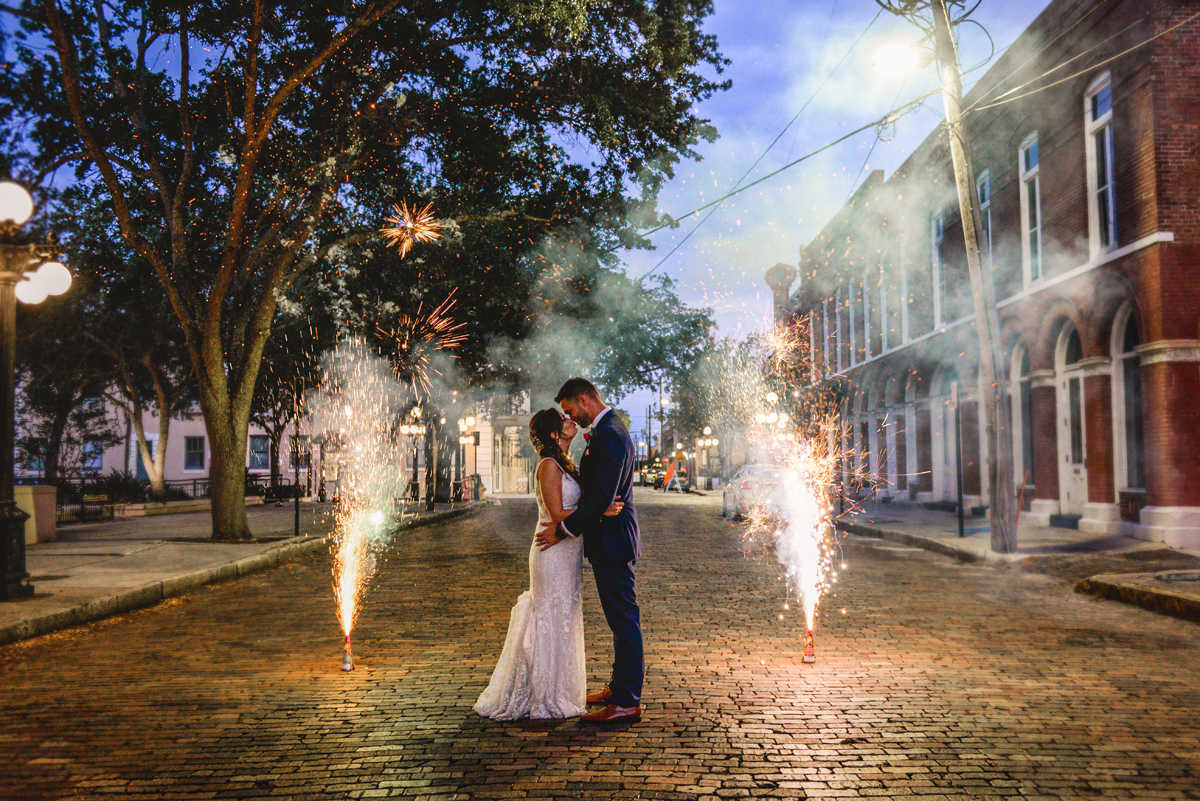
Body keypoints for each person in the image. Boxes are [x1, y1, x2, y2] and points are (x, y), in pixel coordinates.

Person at [474, 409, 623, 720]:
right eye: (564, 420)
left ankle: (561, 689)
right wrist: (601, 511)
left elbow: (576, 506)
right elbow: (556, 514)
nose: (572, 421)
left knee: (564, 617)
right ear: (555, 434)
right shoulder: (548, 466)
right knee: (551, 617)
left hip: (566, 551)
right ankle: (543, 694)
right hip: (551, 553)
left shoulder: (564, 463)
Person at [536, 377, 644, 723]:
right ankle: (619, 686)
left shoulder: (610, 433)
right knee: (619, 619)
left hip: (613, 541)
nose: (572, 418)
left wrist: (563, 529)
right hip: (607, 537)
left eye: (571, 410)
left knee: (624, 619)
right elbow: (597, 496)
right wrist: (596, 508)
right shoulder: (607, 430)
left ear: (583, 400)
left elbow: (600, 496)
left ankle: (627, 700)